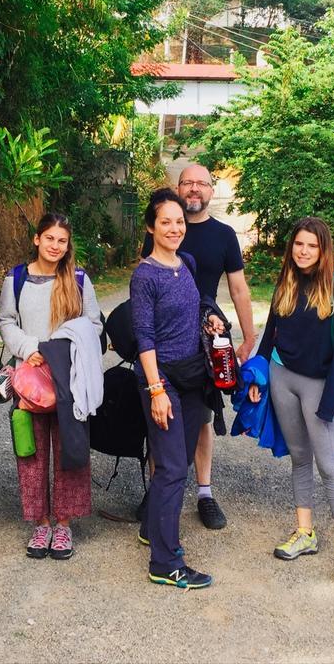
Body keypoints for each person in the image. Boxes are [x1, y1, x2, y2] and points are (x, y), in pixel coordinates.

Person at [141, 163, 255, 530]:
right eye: (187, 183)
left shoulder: (223, 235)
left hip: (203, 345)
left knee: (202, 419)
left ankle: (204, 492)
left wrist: (249, 337)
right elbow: (144, 282)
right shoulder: (163, 226)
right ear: (177, 188)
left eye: (200, 183)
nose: (193, 189)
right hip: (163, 342)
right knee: (162, 421)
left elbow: (238, 288)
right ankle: (161, 490)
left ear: (211, 189)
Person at [254, 217, 334, 584]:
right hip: (282, 376)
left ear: (323, 249)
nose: (303, 252)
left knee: (329, 466)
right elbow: (270, 334)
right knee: (300, 458)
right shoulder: (285, 280)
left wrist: (330, 402)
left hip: (319, 385)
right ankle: (306, 533)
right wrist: (257, 376)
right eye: (298, 245)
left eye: (311, 246)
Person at [0, 213, 104, 560]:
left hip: (70, 377)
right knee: (32, 450)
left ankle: (64, 524)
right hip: (29, 376)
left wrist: (62, 347)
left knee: (70, 449)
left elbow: (94, 324)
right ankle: (40, 522)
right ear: (37, 239)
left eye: (62, 240)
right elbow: (5, 321)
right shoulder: (16, 279)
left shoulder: (78, 279)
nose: (55, 246)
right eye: (49, 239)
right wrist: (30, 349)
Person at [131, 188, 222, 590]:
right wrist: (156, 390)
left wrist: (210, 320)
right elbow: (144, 337)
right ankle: (165, 563)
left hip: (191, 378)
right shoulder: (144, 275)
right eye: (165, 222)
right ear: (151, 227)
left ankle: (153, 527)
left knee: (179, 459)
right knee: (170, 469)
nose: (174, 228)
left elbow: (195, 306)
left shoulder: (186, 262)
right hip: (161, 378)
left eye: (179, 222)